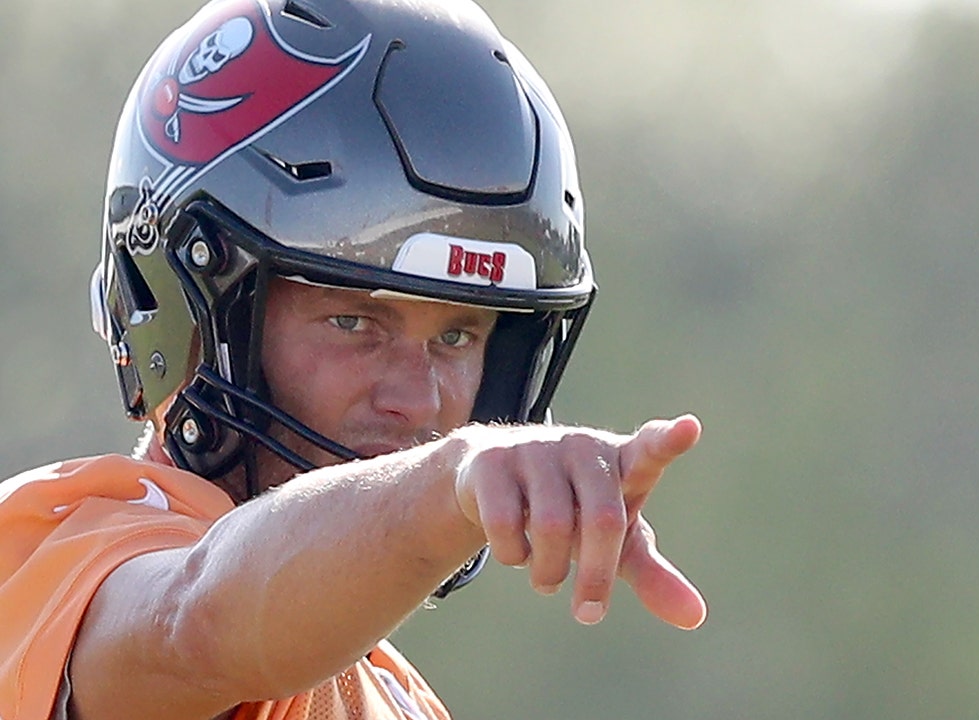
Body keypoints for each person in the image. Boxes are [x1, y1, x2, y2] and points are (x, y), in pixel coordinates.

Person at [0, 0, 707, 718]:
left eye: (457, 337)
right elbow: (196, 623)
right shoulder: (48, 557)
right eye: (353, 321)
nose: (421, 402)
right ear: (191, 318)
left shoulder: (393, 694)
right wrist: (448, 481)